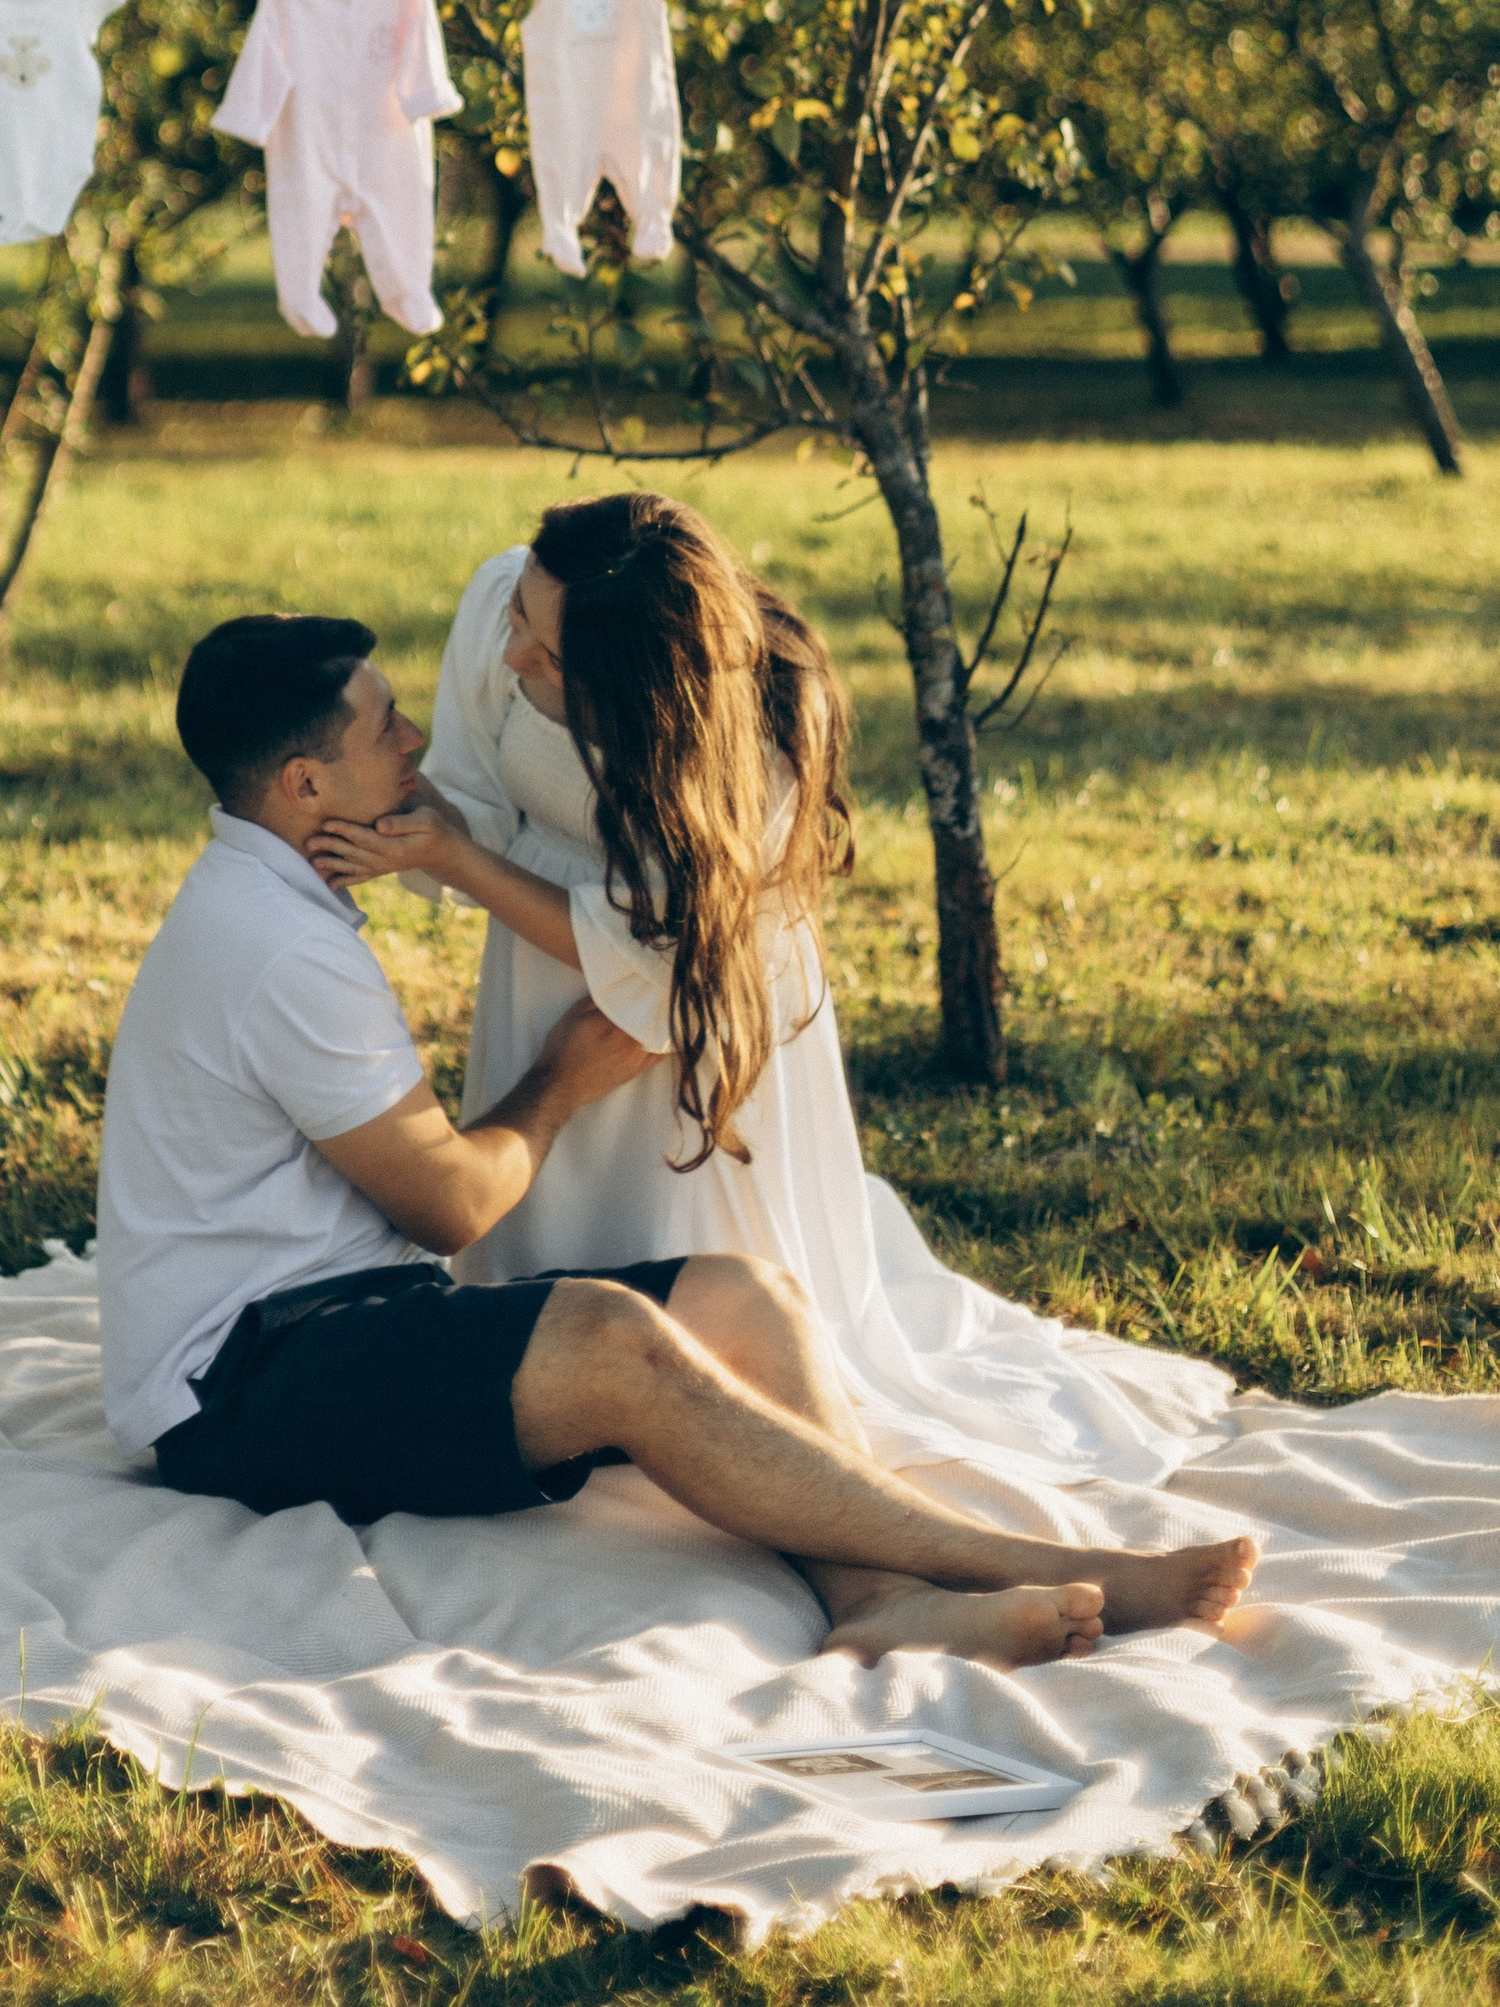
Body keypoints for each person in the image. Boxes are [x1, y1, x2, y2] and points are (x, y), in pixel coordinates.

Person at [95, 608, 1255, 1668]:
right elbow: (446, 1205)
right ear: (305, 784)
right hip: (238, 1388)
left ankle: (876, 1602)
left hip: (341, 1319)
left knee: (745, 1296)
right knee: (613, 1340)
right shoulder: (278, 949)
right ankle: (1016, 1562)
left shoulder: (269, 905)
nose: (413, 741)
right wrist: (562, 1077)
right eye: (384, 725)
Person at [309, 496, 1231, 1489]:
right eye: (520, 617)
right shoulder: (513, 596)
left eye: (550, 652)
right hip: (540, 962)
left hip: (694, 994)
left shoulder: (757, 742)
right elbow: (473, 795)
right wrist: (390, 828)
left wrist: (464, 863)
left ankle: (709, 1386)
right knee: (549, 1230)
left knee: (688, 1259)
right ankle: (569, 1364)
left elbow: (668, 963)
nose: (514, 652)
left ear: (642, 683)